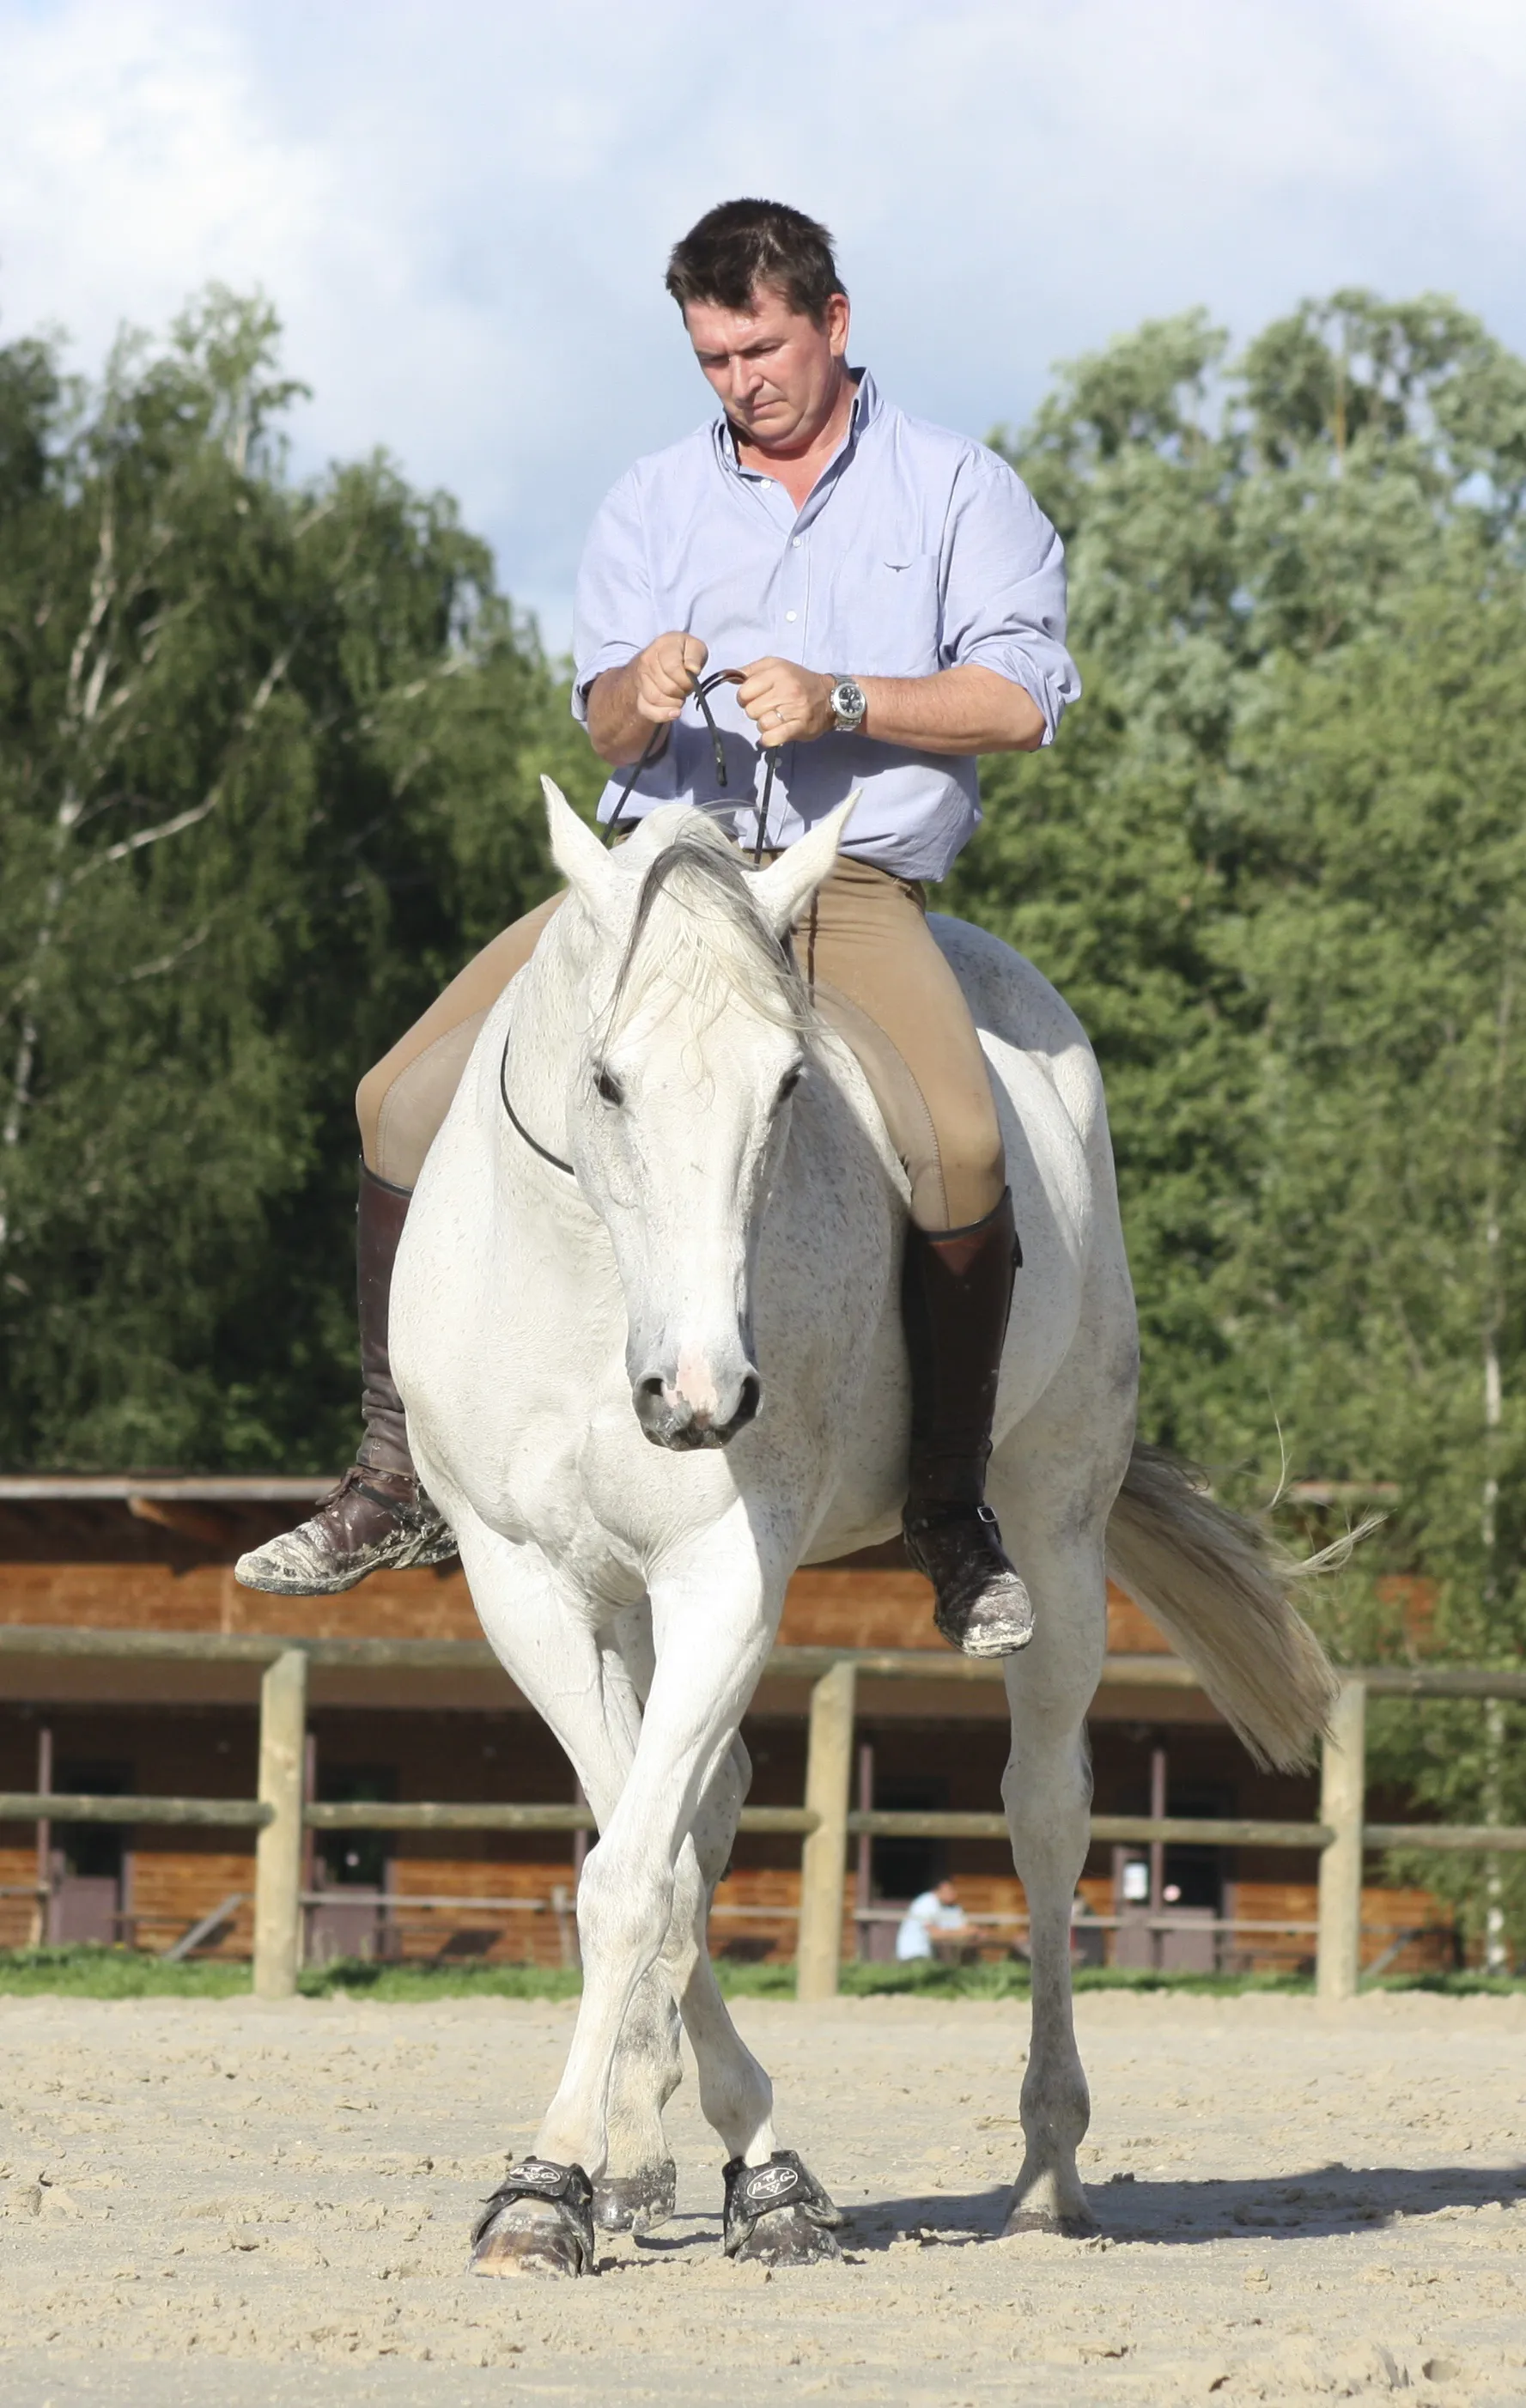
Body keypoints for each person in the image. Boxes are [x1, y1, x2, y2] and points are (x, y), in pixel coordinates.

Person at [238, 198, 1080, 1657]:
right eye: (712, 360)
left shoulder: (958, 488)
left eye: (762, 349)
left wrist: (847, 698)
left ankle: (950, 1510)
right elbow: (607, 728)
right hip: (648, 876)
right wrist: (637, 688)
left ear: (832, 321)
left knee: (960, 1142)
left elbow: (1020, 701)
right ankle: (391, 1473)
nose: (741, 383)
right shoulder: (650, 498)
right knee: (394, 1098)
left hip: (836, 887)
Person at [895, 1880, 970, 1962]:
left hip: (930, 1956)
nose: (953, 1894)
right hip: (915, 1955)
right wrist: (963, 1933)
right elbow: (934, 1933)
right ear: (937, 1890)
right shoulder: (927, 1902)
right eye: (949, 1891)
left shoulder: (947, 1907)